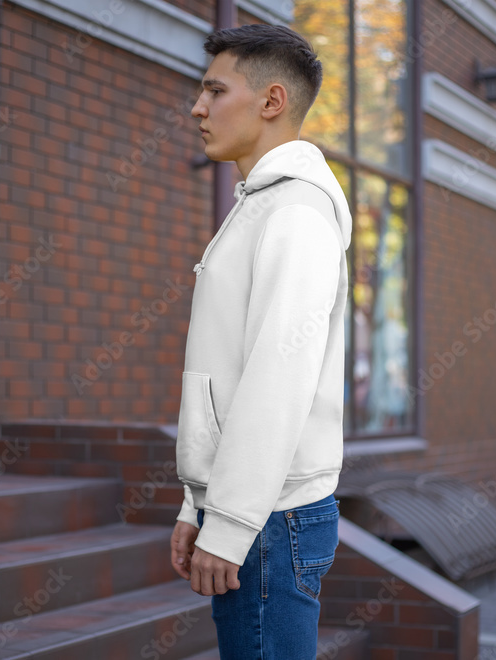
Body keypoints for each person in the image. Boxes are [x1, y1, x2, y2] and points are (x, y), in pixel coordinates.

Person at [169, 23, 353, 659]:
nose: (198, 107)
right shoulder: (261, 205)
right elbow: (228, 372)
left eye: (215, 91)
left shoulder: (295, 213)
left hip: (271, 519)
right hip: (256, 512)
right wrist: (199, 506)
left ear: (271, 102)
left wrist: (231, 522)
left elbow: (278, 379)